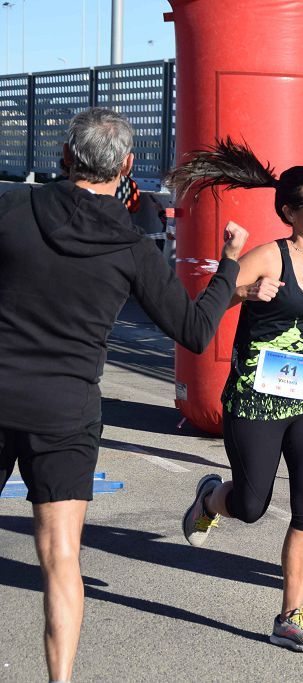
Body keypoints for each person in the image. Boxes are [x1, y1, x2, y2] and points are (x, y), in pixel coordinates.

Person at [0, 107, 247, 682]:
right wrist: (229, 266)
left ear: (65, 155)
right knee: (61, 557)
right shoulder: (133, 248)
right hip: (65, 410)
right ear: (128, 166)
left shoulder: (12, 207)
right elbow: (193, 329)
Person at [166, 139, 303, 653]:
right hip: (257, 399)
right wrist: (245, 292)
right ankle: (211, 497)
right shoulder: (265, 257)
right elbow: (212, 298)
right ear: (289, 213)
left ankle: (291, 614)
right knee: (252, 505)